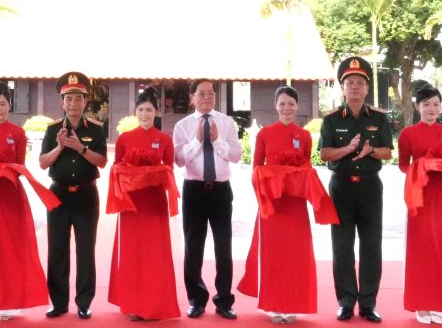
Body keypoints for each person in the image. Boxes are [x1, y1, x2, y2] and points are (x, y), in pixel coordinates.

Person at [239, 85, 335, 324]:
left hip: (295, 206)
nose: (286, 108)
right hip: (271, 206)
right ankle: (273, 306)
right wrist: (267, 190)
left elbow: (305, 169)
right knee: (273, 255)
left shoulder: (303, 136)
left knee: (294, 255)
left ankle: (291, 305)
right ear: (276, 106)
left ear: (297, 106)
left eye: (291, 104)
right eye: (282, 104)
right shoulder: (264, 134)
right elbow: (256, 169)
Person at [318, 56, 393, 323]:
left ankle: (369, 303)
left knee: (372, 246)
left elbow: (388, 152)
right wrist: (347, 149)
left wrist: (371, 150)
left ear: (367, 87)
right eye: (349, 82)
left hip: (371, 188)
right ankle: (346, 301)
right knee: (342, 247)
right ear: (342, 87)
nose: (354, 87)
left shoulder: (380, 119)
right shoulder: (332, 119)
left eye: (359, 82)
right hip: (341, 189)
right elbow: (325, 154)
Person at [0, 82, 49, 321]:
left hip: (10, 195)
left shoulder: (17, 133)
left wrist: (5, 168)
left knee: (9, 249)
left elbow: (20, 167)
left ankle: (10, 303)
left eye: (2, 103)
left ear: (10, 105)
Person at [108, 88, 181, 321]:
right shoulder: (124, 139)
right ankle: (134, 304)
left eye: (149, 109)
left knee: (155, 255)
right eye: (140, 109)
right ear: (135, 112)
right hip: (132, 206)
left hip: (155, 204)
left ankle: (154, 304)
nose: (144, 114)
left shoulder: (164, 139)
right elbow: (116, 169)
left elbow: (169, 170)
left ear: (157, 112)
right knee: (133, 254)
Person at [40, 71, 108, 319]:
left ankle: (84, 302)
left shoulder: (96, 130)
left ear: (85, 101)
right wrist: (59, 146)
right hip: (57, 195)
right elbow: (42, 164)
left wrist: (80, 147)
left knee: (85, 250)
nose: (73, 104)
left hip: (86, 196)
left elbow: (101, 161)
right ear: (62, 102)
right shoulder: (52, 130)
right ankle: (58, 303)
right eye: (68, 99)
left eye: (78, 99)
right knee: (57, 250)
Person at [173, 78, 243, 320]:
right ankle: (196, 300)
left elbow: (236, 156)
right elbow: (180, 160)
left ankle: (224, 300)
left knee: (224, 247)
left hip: (221, 191)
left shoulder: (226, 122)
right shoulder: (181, 126)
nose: (206, 98)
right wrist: (197, 141)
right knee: (194, 248)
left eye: (210, 94)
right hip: (194, 190)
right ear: (191, 97)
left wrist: (216, 140)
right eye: (201, 94)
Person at [397, 85, 442, 325]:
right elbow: (403, 165)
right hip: (419, 195)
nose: (431, 109)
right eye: (426, 104)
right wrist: (419, 167)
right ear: (417, 107)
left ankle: (440, 304)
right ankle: (421, 303)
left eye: (435, 104)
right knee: (421, 250)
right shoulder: (408, 134)